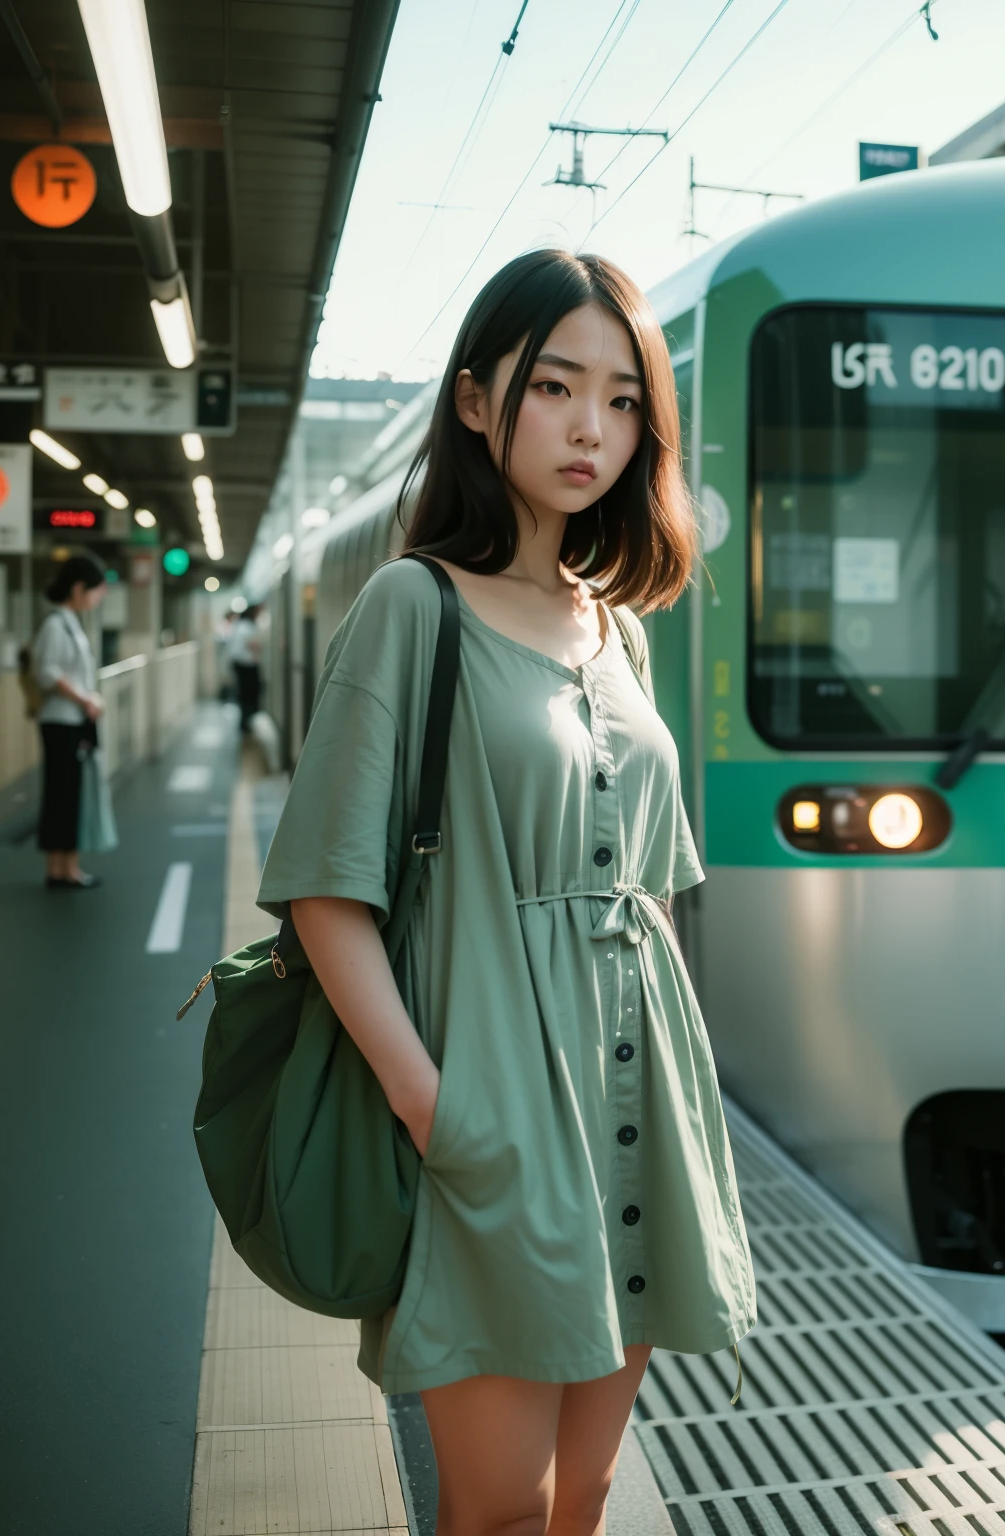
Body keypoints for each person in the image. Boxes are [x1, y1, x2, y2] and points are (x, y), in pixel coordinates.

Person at [257, 250, 755, 1536]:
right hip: (489, 1110)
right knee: (499, 1509)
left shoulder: (618, 628)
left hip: (633, 1103)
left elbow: (648, 886)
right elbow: (328, 896)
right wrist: (439, 1109)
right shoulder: (411, 607)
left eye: (625, 399)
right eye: (556, 387)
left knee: (582, 1498)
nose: (594, 426)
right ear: (479, 404)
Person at [32, 555, 106, 889]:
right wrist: (85, 699)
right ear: (78, 588)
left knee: (68, 792)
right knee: (63, 793)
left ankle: (64, 867)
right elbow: (47, 673)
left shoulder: (71, 623)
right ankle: (61, 868)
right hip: (61, 721)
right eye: (94, 590)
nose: (96, 597)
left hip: (71, 720)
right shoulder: (56, 625)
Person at [228, 604, 263, 731]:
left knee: (245, 694)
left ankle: (246, 721)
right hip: (246, 666)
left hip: (241, 665)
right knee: (249, 694)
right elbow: (252, 644)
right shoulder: (247, 627)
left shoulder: (240, 625)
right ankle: (247, 722)